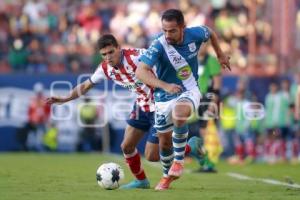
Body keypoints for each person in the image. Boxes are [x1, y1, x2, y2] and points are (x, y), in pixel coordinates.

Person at [136, 9, 230, 190]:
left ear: (182, 28)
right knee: (163, 143)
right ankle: (166, 176)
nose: (167, 34)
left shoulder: (194, 34)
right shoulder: (159, 44)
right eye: (164, 30)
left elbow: (210, 32)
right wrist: (164, 85)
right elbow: (141, 71)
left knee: (180, 113)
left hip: (189, 89)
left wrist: (219, 54)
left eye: (172, 30)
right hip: (163, 96)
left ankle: (179, 162)